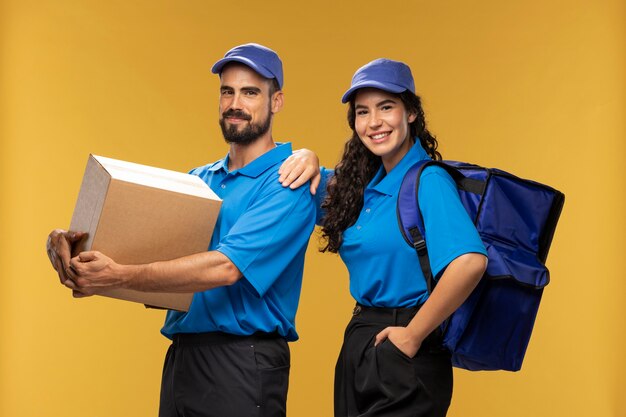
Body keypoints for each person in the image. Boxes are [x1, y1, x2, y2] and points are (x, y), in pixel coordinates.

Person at [45, 43, 316, 417]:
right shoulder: (197, 181)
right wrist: (73, 249)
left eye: (250, 92)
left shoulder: (289, 181)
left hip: (242, 360)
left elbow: (225, 268)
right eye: (227, 91)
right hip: (184, 357)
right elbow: (151, 265)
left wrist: (117, 274)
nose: (235, 103)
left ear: (277, 101)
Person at [282, 58, 488, 417]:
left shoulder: (429, 180)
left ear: (410, 113)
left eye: (386, 107)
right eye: (363, 112)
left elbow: (471, 261)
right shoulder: (361, 188)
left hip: (407, 347)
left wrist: (412, 335)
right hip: (361, 341)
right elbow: (306, 183)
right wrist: (307, 155)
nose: (374, 122)